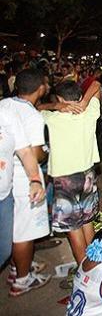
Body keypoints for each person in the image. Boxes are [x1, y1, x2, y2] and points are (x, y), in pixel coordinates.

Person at [41, 80, 102, 265]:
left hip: (65, 179)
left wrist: (55, 106)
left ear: (60, 98)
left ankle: (85, 269)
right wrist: (84, 102)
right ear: (79, 96)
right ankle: (96, 267)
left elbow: (31, 106)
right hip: (87, 175)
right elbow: (97, 84)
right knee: (87, 222)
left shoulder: (51, 118)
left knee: (73, 228)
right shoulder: (90, 112)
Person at [0, 101, 46, 296]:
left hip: (4, 196)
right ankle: (21, 278)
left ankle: (17, 269)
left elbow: (26, 151)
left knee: (5, 247)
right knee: (21, 236)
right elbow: (37, 152)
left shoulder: (5, 112)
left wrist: (34, 179)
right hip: (12, 191)